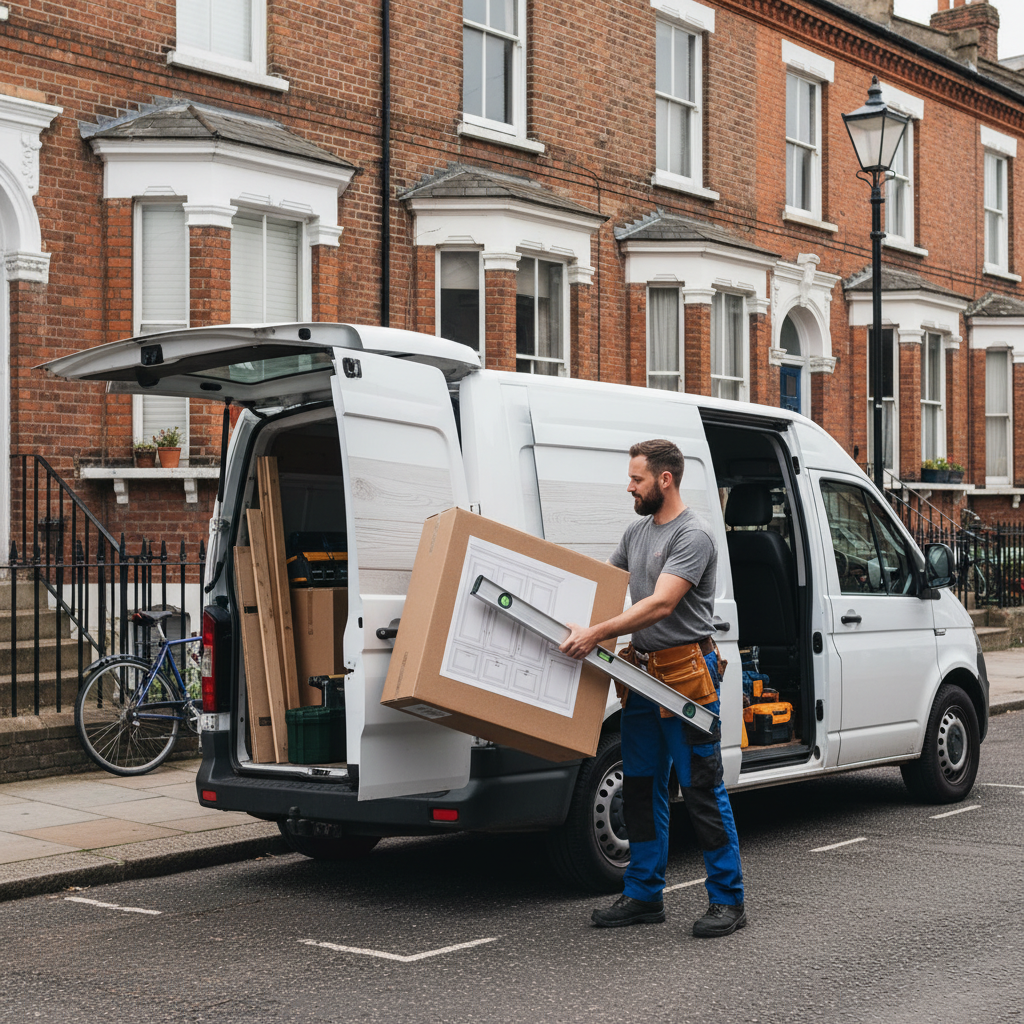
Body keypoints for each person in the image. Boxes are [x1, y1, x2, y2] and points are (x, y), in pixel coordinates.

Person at [559, 438, 746, 938]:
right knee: (641, 790)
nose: (630, 486)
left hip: (687, 678)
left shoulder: (695, 535)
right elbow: (605, 584)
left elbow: (661, 604)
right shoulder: (636, 531)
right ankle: (644, 895)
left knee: (702, 790)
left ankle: (728, 900)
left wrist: (595, 634)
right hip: (641, 677)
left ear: (665, 480)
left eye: (637, 478)